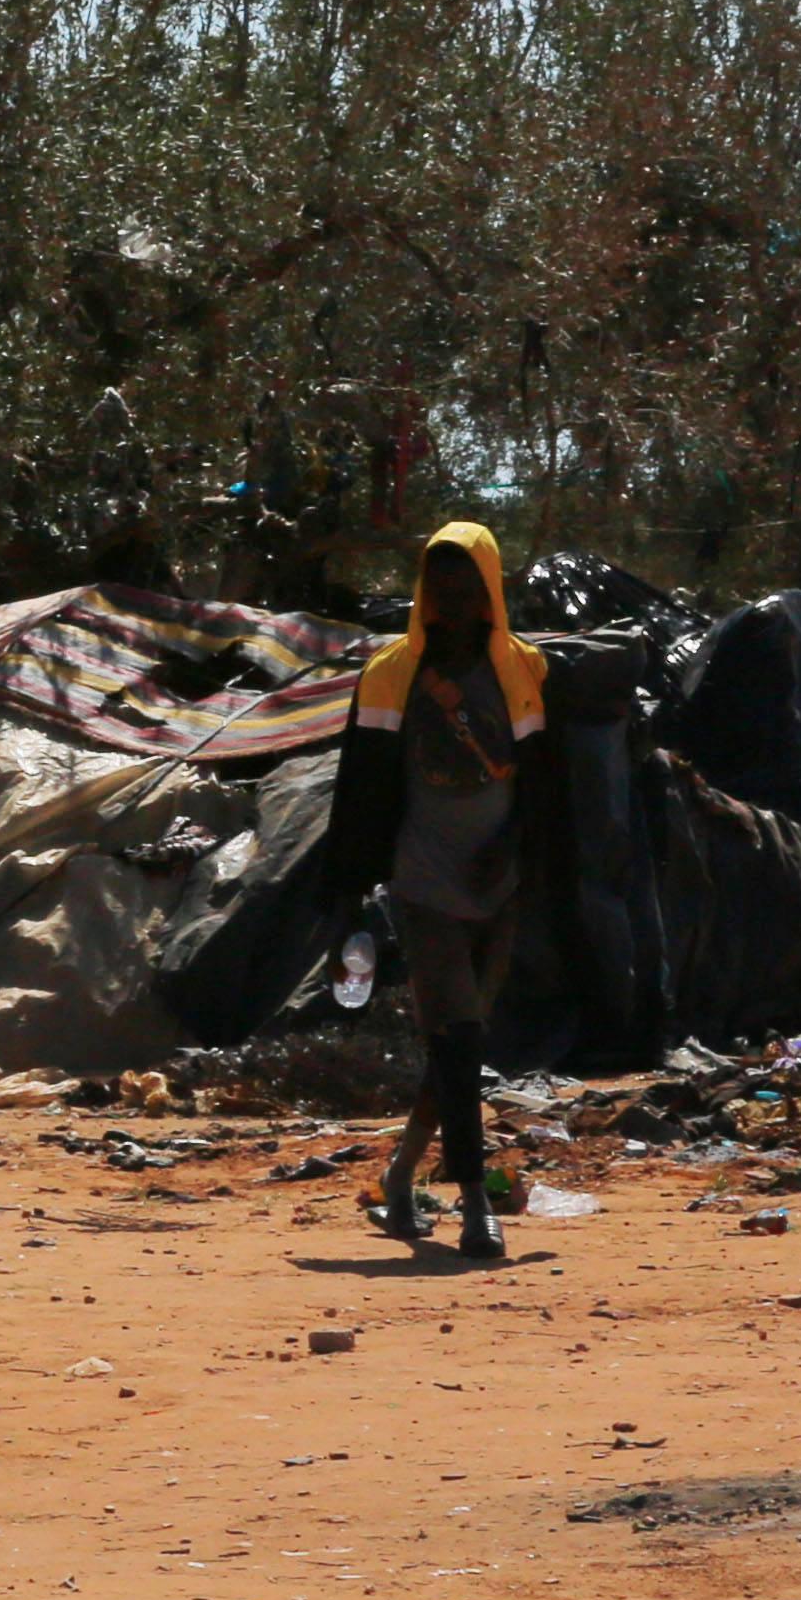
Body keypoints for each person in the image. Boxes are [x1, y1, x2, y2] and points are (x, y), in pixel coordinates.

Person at [332, 520, 551, 1263]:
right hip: (424, 881)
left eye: (466, 591)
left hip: (501, 884)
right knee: (458, 1033)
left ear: (490, 594)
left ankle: (398, 1178)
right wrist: (351, 896)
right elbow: (360, 790)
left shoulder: (524, 670)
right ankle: (474, 1208)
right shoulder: (391, 673)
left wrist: (513, 854)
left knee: (459, 1044)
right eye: (439, 591)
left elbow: (545, 786)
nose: (451, 606)